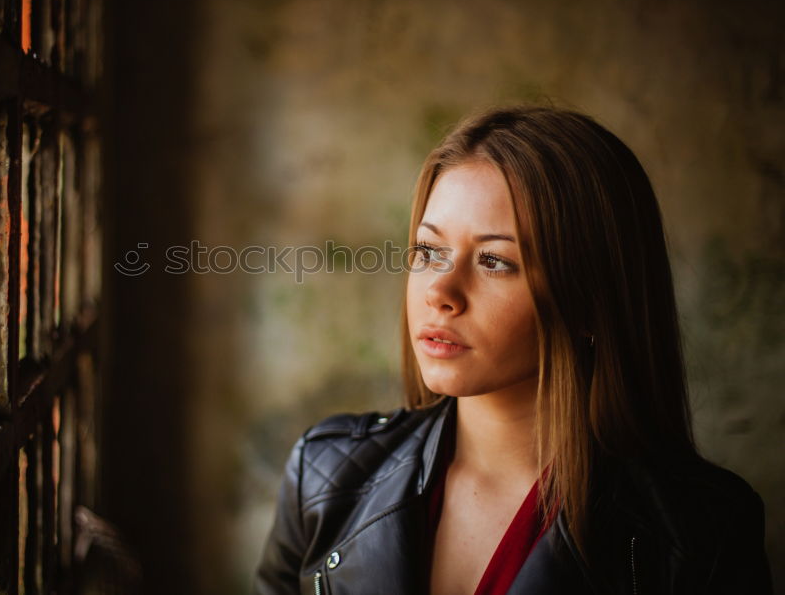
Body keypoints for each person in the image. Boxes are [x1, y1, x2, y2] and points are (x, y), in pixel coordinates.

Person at [253, 106, 773, 594]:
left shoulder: (701, 531)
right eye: (429, 251)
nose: (440, 292)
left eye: (495, 262)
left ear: (592, 302)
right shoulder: (323, 475)